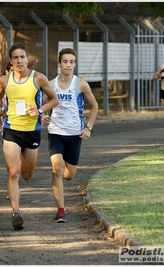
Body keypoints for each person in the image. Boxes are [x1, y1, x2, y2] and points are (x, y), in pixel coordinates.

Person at [0, 42, 59, 230]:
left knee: (27, 175)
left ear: (28, 59)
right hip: (11, 130)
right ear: (11, 62)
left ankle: (20, 164)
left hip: (32, 131)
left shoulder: (39, 79)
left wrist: (39, 110)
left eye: (22, 57)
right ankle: (16, 212)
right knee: (14, 172)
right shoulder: (5, 80)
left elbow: (54, 99)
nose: (19, 60)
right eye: (15, 58)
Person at [41, 48, 98, 223]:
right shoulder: (50, 84)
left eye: (71, 62)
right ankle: (61, 210)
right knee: (56, 168)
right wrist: (42, 116)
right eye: (65, 61)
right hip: (56, 132)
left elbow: (94, 106)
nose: (68, 65)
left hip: (74, 134)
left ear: (75, 64)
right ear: (59, 63)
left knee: (69, 175)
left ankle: (62, 175)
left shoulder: (80, 84)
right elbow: (40, 105)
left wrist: (88, 127)